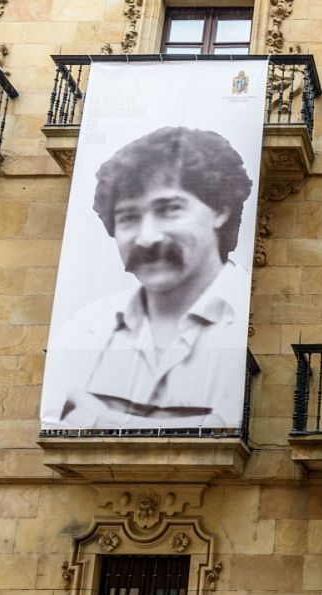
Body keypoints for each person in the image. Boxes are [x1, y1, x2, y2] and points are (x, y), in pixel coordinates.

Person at [43, 126, 255, 429]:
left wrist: (100, 415)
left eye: (169, 209)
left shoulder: (247, 310)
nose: (146, 238)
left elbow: (222, 422)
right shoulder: (85, 328)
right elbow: (58, 419)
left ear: (220, 210)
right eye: (128, 217)